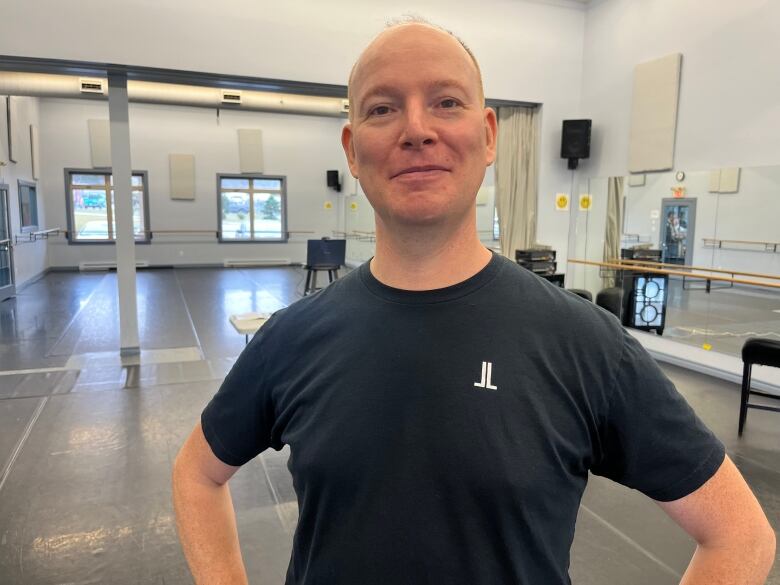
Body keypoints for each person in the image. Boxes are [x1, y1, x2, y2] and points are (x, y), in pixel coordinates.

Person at [172, 19, 776, 585]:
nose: (417, 129)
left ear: (487, 136)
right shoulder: (291, 338)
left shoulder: (583, 342)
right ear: (353, 150)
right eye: (383, 108)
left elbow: (741, 537)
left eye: (446, 102)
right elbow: (197, 474)